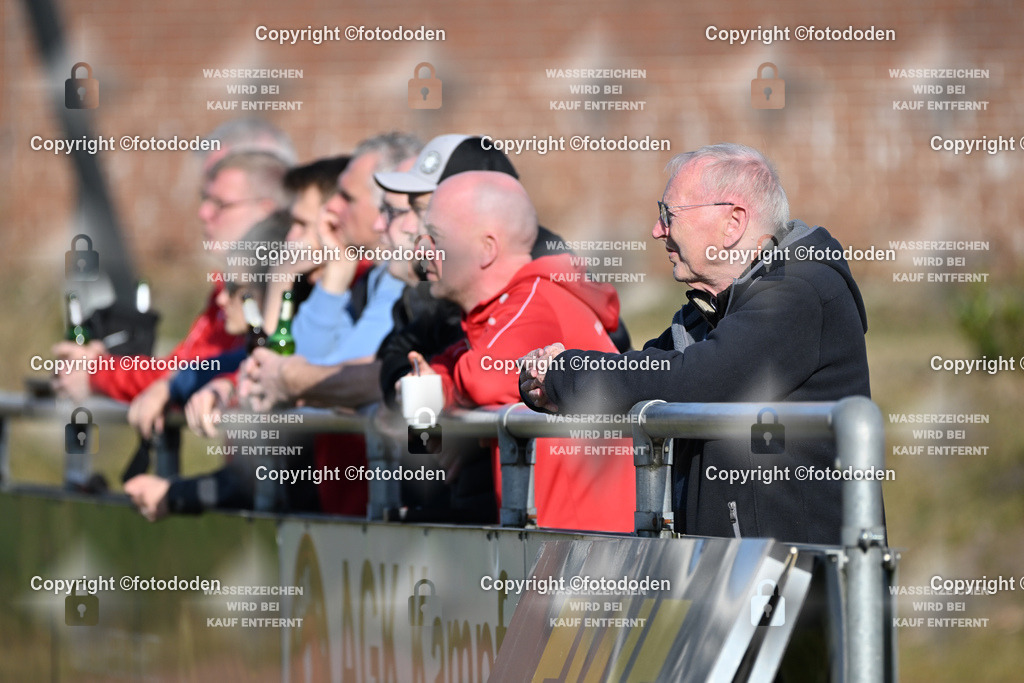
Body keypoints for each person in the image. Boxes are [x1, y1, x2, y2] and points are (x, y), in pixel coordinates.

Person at [519, 143, 872, 545]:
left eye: (669, 214)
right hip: (735, 574)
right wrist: (545, 380)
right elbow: (641, 369)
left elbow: (695, 380)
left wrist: (564, 374)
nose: (657, 230)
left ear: (732, 223)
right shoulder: (715, 308)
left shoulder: (800, 292)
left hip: (799, 585)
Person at [402, 171, 636, 532]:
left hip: (585, 554)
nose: (422, 251)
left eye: (436, 238)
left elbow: (486, 376)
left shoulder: (535, 300)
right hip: (566, 545)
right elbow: (460, 364)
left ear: (486, 249)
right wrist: (437, 381)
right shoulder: (504, 311)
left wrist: (439, 390)